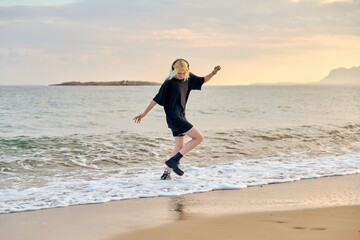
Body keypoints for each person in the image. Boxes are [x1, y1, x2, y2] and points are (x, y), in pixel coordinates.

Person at [133, 59, 221, 180]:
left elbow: (202, 80)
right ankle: (174, 160)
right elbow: (156, 99)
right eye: (179, 73)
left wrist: (213, 72)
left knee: (179, 146)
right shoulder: (169, 82)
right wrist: (144, 113)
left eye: (183, 72)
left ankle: (166, 173)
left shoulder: (188, 78)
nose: (181, 75)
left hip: (180, 116)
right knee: (199, 138)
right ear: (174, 71)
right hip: (174, 118)